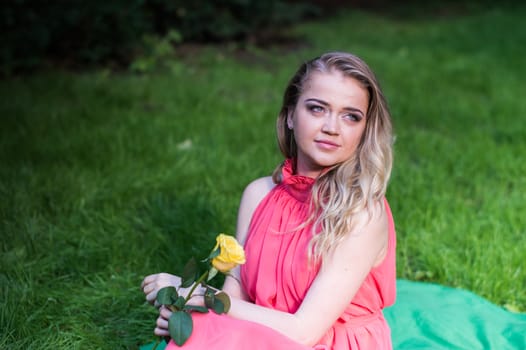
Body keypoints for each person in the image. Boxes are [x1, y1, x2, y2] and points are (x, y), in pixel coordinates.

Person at [141, 51, 396, 349]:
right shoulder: (258, 194)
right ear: (290, 115)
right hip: (263, 332)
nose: (332, 128)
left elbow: (304, 333)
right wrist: (194, 315)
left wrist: (201, 295)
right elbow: (235, 297)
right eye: (317, 109)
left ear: (364, 130)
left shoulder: (362, 212)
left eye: (350, 116)